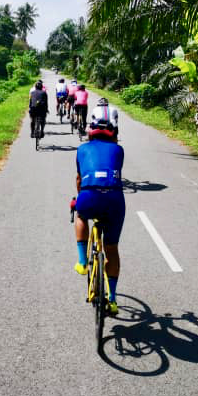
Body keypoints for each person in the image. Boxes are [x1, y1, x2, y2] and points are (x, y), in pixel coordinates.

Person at [73, 120, 125, 316]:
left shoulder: (81, 149)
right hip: (114, 199)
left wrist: (79, 196)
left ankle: (82, 262)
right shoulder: (119, 150)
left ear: (90, 135)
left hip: (89, 195)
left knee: (80, 215)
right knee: (111, 248)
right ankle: (111, 299)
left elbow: (79, 178)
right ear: (112, 135)